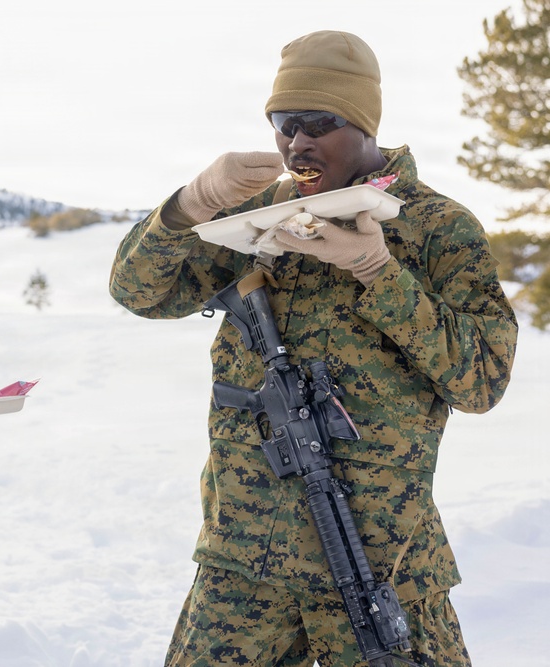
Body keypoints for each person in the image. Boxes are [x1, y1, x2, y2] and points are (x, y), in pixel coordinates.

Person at [108, 31, 518, 666]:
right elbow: (140, 291)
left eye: (318, 123)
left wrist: (378, 272)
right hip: (245, 560)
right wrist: (190, 205)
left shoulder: (436, 226)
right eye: (282, 123)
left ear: (362, 124)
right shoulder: (256, 217)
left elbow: (483, 380)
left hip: (379, 562)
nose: (296, 142)